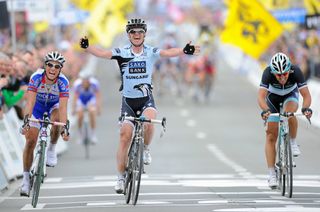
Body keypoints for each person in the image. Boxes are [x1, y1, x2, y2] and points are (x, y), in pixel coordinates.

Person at [79, 18, 200, 194]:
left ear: (144, 34)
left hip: (146, 100)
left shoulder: (150, 51)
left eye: (140, 32)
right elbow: (103, 53)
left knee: (149, 121)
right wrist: (87, 47)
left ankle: (146, 148)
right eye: (133, 32)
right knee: (124, 137)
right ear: (129, 35)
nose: (136, 35)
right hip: (128, 102)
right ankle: (120, 177)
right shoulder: (122, 52)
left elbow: (167, 53)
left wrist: (183, 50)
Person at [257, 52, 312, 189]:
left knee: (289, 113)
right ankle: (271, 173)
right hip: (273, 98)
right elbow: (261, 96)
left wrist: (305, 108)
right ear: (273, 72)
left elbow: (306, 95)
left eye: (285, 74)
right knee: (270, 135)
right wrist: (265, 110)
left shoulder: (296, 71)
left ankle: (293, 142)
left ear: (289, 70)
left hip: (290, 96)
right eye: (278, 75)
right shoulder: (267, 72)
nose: (282, 77)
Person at [19, 51, 70, 196]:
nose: (53, 69)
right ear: (45, 66)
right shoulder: (36, 77)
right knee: (30, 141)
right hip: (37, 107)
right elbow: (30, 102)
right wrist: (26, 122)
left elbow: (63, 107)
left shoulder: (63, 82)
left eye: (57, 66)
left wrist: (65, 128)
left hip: (53, 107)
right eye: (50, 65)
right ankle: (26, 179)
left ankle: (51, 149)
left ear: (60, 69)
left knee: (57, 118)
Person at [72, 71, 101, 144]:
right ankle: (80, 136)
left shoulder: (94, 84)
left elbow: (98, 96)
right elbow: (75, 98)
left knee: (92, 112)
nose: (85, 82)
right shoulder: (77, 84)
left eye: (86, 80)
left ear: (89, 80)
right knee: (80, 115)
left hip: (91, 100)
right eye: (83, 80)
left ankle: (93, 135)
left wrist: (98, 108)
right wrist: (74, 109)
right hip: (81, 100)